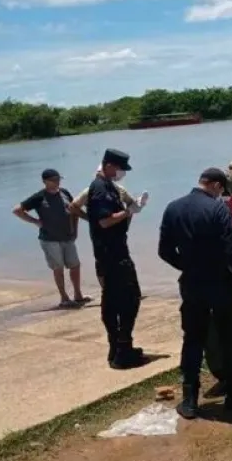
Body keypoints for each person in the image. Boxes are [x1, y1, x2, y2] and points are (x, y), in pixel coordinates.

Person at [158, 167, 232, 419]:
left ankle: (190, 401)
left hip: (192, 284)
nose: (221, 195)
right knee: (229, 338)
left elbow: (164, 251)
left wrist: (188, 266)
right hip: (221, 284)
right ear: (215, 185)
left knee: (192, 338)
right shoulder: (218, 210)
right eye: (221, 190)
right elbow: (231, 250)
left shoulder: (173, 208)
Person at [86, 149, 145, 369]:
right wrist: (129, 211)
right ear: (109, 165)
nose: (122, 173)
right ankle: (122, 347)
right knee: (130, 298)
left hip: (112, 252)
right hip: (112, 255)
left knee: (113, 300)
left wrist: (130, 211)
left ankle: (119, 348)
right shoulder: (100, 189)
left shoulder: (107, 186)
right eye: (120, 168)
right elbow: (104, 221)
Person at [12, 169, 88, 308]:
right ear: (45, 181)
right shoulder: (39, 197)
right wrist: (35, 221)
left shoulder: (65, 193)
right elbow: (17, 210)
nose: (57, 182)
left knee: (75, 265)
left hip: (67, 236)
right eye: (54, 179)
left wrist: (75, 230)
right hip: (49, 239)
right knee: (58, 268)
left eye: (58, 179)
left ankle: (78, 295)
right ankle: (64, 298)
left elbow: (74, 210)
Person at [70, 164, 149, 289]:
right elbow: (73, 206)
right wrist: (90, 219)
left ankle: (124, 289)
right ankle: (106, 291)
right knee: (103, 264)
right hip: (101, 234)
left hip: (118, 232)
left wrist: (134, 210)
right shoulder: (90, 190)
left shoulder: (120, 189)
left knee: (122, 261)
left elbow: (131, 205)